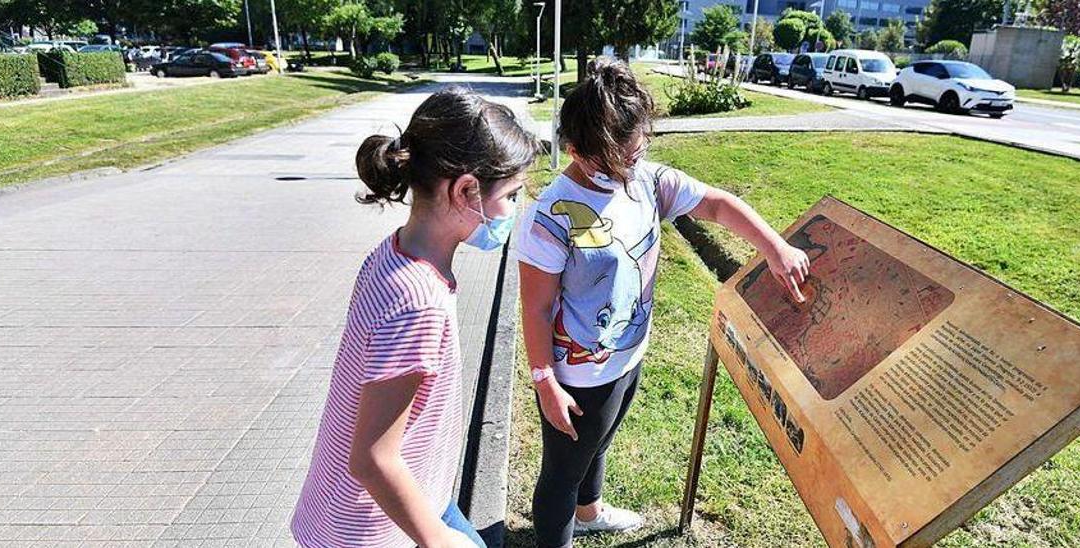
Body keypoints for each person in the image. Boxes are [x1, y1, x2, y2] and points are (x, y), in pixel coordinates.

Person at [515, 58, 811, 548]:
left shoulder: (647, 182)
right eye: (625, 158)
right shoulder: (551, 217)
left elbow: (714, 204)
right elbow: (538, 310)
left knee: (599, 443)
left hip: (628, 353)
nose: (636, 164)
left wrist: (774, 246)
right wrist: (545, 382)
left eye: (640, 149)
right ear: (578, 150)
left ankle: (589, 513)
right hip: (579, 373)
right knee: (562, 474)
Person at [291, 87, 538, 548]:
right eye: (511, 194)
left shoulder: (393, 253)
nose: (514, 210)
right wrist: (438, 540)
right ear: (466, 190)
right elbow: (373, 459)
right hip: (370, 528)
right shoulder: (419, 302)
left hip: (412, 493)